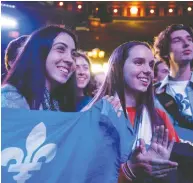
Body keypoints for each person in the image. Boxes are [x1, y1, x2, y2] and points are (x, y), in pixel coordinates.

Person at [87, 41, 179, 182]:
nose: (148, 70)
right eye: (138, 62)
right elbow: (82, 171)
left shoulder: (159, 117)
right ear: (117, 68)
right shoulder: (96, 114)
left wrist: (165, 166)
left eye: (150, 64)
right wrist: (128, 172)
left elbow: (178, 165)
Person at [1, 25, 78, 112]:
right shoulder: (11, 98)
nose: (70, 60)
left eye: (73, 54)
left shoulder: (59, 101)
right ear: (40, 52)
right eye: (60, 49)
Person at [154, 24, 193, 131]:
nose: (186, 44)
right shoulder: (152, 94)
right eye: (177, 40)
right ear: (166, 52)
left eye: (189, 39)